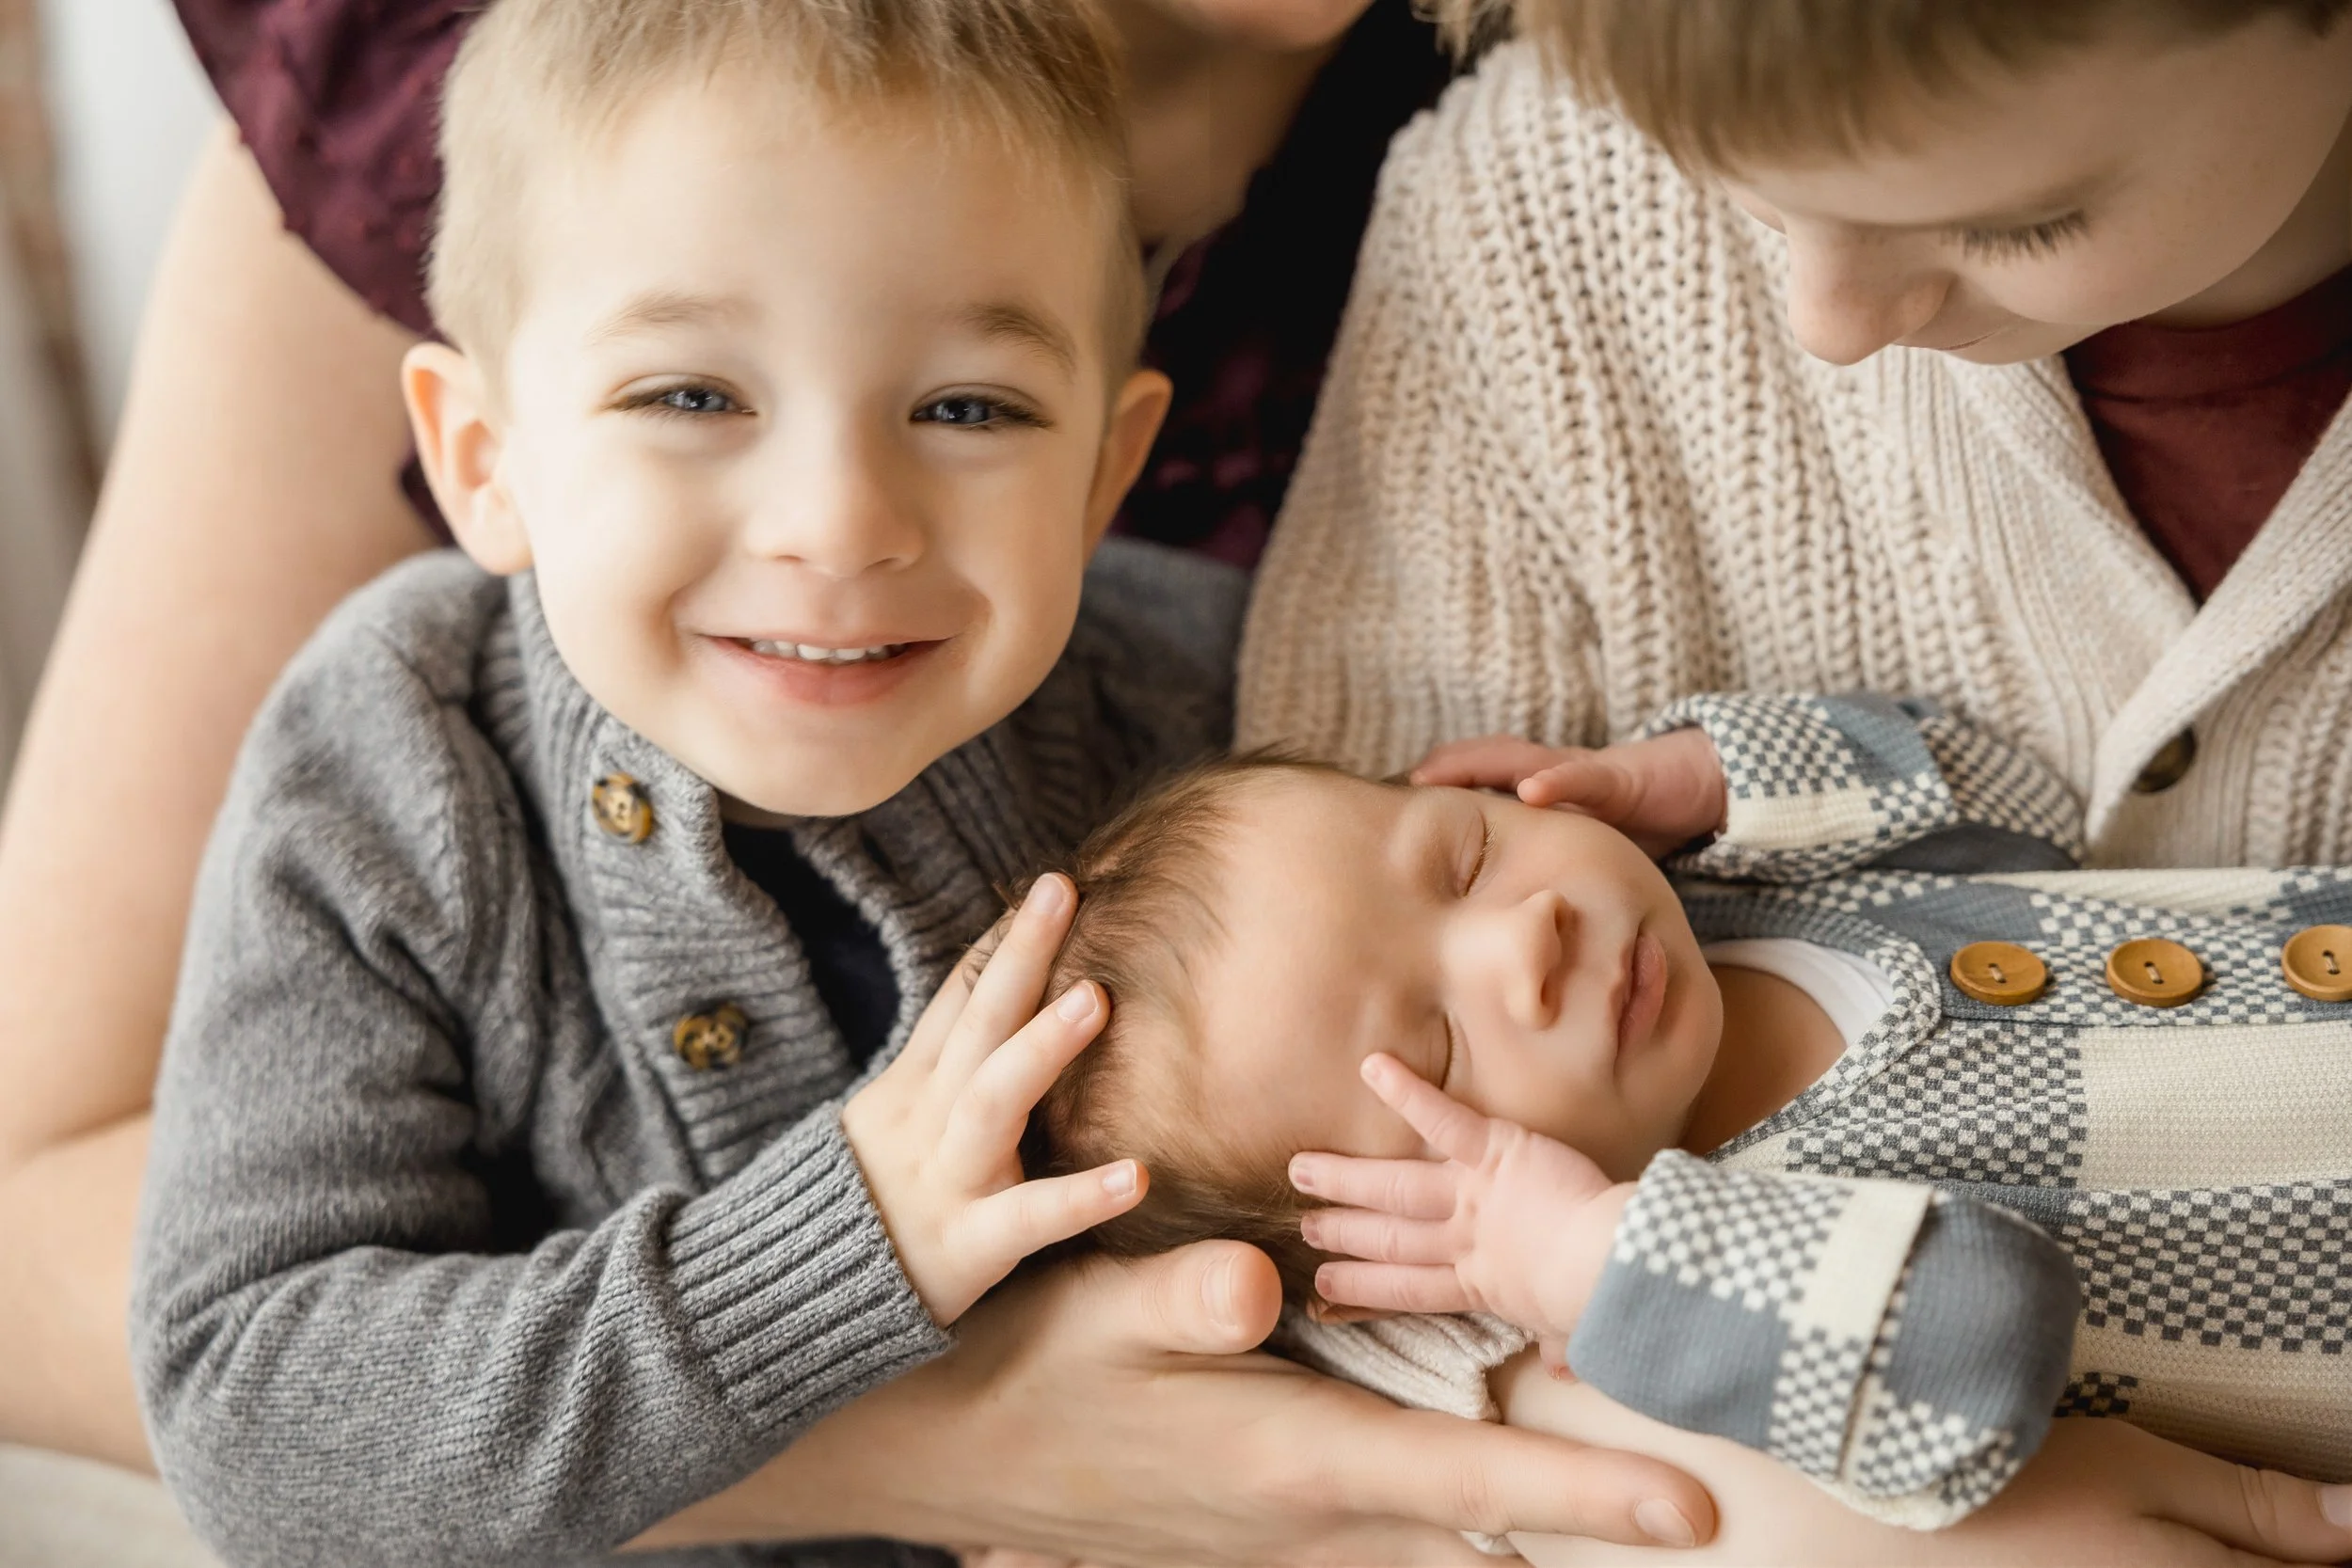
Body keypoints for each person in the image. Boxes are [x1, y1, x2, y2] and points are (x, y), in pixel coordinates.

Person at [0, 0, 1726, 1559]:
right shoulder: (389, 765)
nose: (841, 524)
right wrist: (852, 1243)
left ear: (1110, 458)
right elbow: (251, 1416)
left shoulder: (1193, 714)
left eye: (970, 409)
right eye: (692, 392)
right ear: (485, 456)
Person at [1021, 691, 2352, 1561]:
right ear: (1406, 1245)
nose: (1524, 937)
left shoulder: (1742, 892)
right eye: (1437, 1049)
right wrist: (1593, 1255)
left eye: (1459, 854)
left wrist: (1707, 782)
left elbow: (2026, 809)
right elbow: (1982, 1349)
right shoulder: (1685, 1308)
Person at [1237, 0, 2352, 872]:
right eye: (1730, 173)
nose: (1829, 325)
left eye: (2012, 223)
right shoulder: (1525, 216)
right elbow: (1338, 1028)